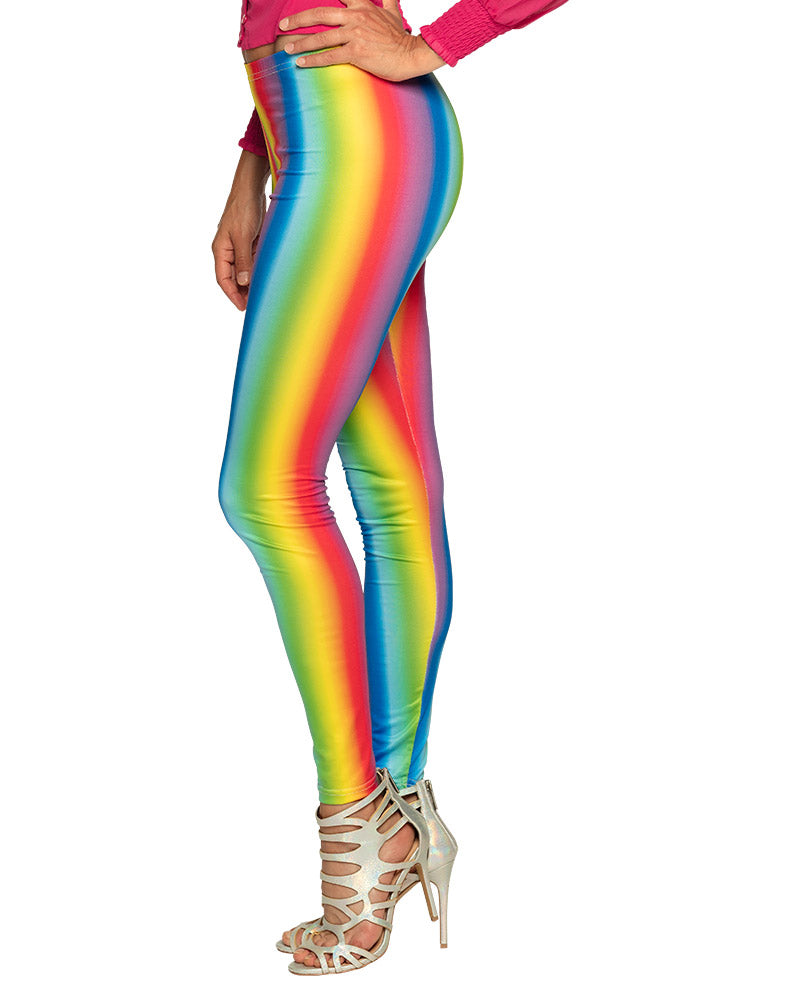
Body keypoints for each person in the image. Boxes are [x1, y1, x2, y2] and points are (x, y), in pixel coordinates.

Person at [212, 0, 570, 975]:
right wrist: (252, 164)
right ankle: (398, 811)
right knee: (390, 483)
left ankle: (359, 827)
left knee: (266, 489)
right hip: (327, 132)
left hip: (359, 134)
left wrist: (436, 42)